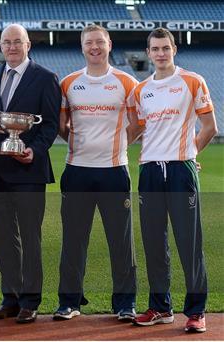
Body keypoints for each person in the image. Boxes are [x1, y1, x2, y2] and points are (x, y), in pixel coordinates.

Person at [0, 24, 61, 323]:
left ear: (28, 45)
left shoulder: (46, 78)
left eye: (17, 42)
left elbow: (49, 126)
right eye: (6, 42)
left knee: (30, 238)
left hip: (29, 170)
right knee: (2, 238)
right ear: (1, 45)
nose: (11, 47)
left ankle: (30, 300)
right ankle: (10, 297)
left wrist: (34, 150)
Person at [127, 27, 217, 333]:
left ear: (173, 50)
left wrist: (191, 153)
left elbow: (209, 127)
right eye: (155, 49)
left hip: (180, 170)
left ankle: (196, 311)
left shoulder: (192, 81)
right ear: (148, 53)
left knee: (189, 243)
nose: (161, 53)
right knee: (154, 243)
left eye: (166, 48)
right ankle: (160, 307)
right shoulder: (141, 90)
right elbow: (136, 130)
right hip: (150, 171)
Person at [54, 25, 138, 322]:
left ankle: (125, 302)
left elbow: (137, 122)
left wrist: (119, 144)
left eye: (99, 42)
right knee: (74, 240)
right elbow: (61, 126)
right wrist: (81, 143)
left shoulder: (127, 81)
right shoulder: (69, 83)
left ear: (109, 44)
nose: (95, 47)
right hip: (76, 170)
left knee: (121, 240)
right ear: (82, 47)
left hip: (115, 170)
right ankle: (69, 301)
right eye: (89, 43)